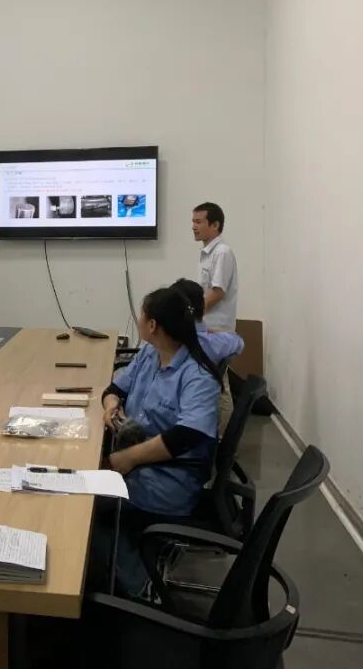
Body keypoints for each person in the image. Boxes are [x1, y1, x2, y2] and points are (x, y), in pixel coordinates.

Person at [100, 286, 222, 596]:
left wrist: (128, 458)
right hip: (141, 466)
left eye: (142, 316)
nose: (139, 320)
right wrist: (111, 406)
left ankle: (140, 587)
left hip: (167, 482)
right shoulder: (148, 355)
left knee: (88, 508)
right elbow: (114, 389)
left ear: (152, 325)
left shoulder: (197, 375)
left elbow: (187, 436)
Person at [172, 278, 245, 434]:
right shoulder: (213, 343)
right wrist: (212, 332)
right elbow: (238, 342)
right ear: (203, 309)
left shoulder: (169, 342)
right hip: (198, 426)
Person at [192, 201, 239, 332]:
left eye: (198, 222)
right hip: (205, 329)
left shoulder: (222, 252)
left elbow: (217, 293)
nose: (193, 227)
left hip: (217, 331)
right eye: (193, 222)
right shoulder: (206, 254)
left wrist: (192, 315)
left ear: (215, 225)